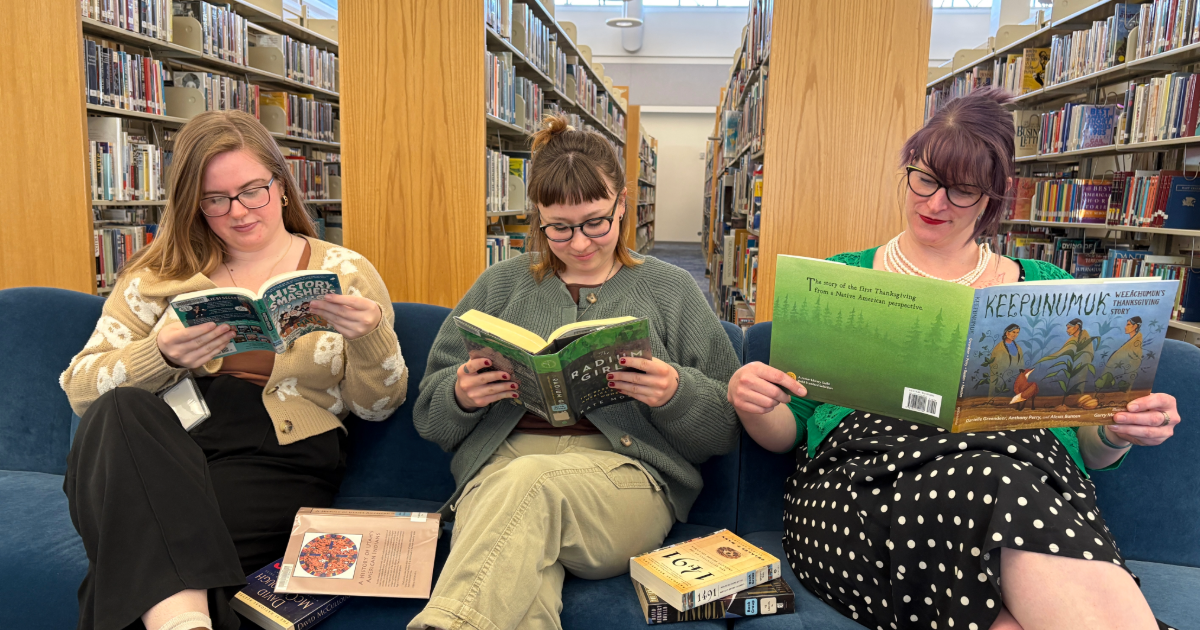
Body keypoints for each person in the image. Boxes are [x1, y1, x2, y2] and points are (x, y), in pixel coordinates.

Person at [727, 89, 1182, 630]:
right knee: (995, 482)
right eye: (924, 179)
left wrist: (1118, 431)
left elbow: (1090, 449)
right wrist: (754, 401)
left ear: (992, 199)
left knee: (1001, 485)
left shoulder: (1050, 288)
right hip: (866, 486)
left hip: (1023, 473)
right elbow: (787, 432)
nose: (934, 203)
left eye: (961, 190)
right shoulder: (843, 279)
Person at [59, 110, 408, 630]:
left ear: (281, 186)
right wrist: (164, 356)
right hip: (168, 446)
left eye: (252, 191)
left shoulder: (346, 271)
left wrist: (370, 335)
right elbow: (81, 388)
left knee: (141, 547)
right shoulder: (157, 275)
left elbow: (376, 406)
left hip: (280, 454)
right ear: (194, 205)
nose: (239, 212)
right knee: (118, 409)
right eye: (216, 200)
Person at [409, 115, 741, 630]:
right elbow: (429, 421)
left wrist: (675, 392)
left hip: (625, 483)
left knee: (529, 484)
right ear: (537, 219)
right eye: (559, 228)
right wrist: (461, 395)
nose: (580, 243)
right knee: (524, 581)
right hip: (498, 473)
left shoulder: (672, 290)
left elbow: (724, 430)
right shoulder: (500, 286)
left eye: (596, 223)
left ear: (623, 203)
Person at [1101, 317, 1145, 399]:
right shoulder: (1131, 342)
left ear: (1135, 326)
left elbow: (1132, 365)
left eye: (1128, 324)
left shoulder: (1135, 345)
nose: (1125, 327)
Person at [987, 324, 1024, 403]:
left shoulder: (1018, 348)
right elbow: (994, 364)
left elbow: (1021, 363)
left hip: (1015, 376)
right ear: (1007, 333)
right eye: (1013, 332)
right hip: (1002, 376)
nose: (1015, 335)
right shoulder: (999, 348)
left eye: (1017, 333)